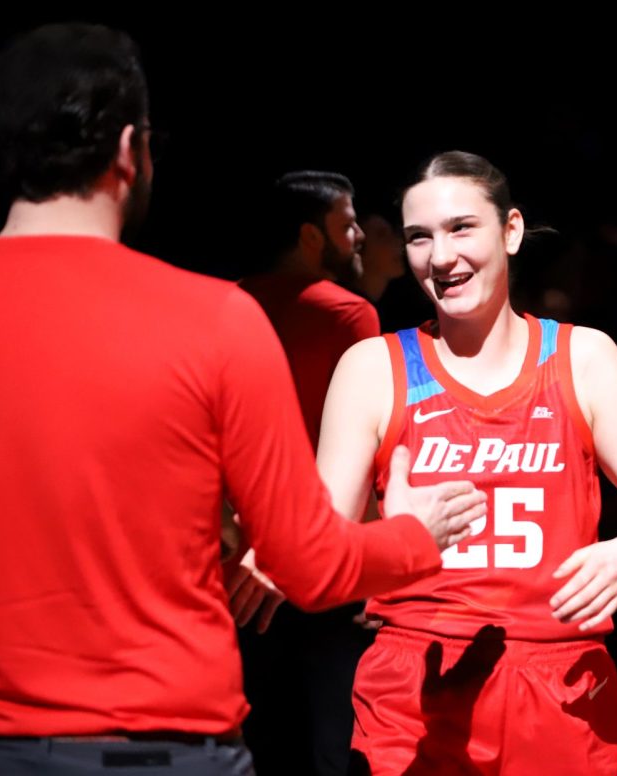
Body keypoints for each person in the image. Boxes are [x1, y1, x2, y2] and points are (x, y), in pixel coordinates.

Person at [0, 24, 483, 775]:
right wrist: (417, 533)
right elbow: (309, 565)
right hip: (172, 747)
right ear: (127, 152)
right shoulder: (214, 320)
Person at [315, 151, 617, 775]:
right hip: (413, 689)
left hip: (563, 686)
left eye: (462, 227)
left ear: (511, 231)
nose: (440, 257)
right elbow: (320, 562)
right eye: (419, 237)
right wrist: (391, 541)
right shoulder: (372, 369)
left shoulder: (586, 359)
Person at [237, 172, 383, 776]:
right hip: (326, 563)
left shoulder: (227, 305)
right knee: (331, 747)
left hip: (236, 569)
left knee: (254, 744)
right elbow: (365, 449)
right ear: (309, 236)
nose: (357, 238)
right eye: (347, 225)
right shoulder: (350, 316)